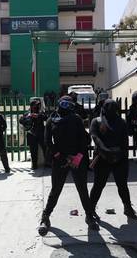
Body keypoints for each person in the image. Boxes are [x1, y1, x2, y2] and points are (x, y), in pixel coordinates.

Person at [38, 96, 99, 237]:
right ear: (58, 104)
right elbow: (48, 141)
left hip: (77, 159)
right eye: (63, 104)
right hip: (60, 160)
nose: (66, 107)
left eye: (69, 104)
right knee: (55, 190)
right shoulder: (50, 120)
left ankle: (89, 216)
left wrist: (77, 157)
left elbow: (85, 139)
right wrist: (59, 155)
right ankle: (45, 217)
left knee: (82, 189)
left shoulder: (76, 119)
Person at [89, 100, 137, 220]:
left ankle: (128, 208)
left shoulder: (121, 122)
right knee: (98, 185)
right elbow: (95, 138)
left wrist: (121, 156)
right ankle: (90, 210)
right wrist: (106, 151)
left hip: (119, 158)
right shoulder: (97, 121)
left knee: (122, 185)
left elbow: (124, 142)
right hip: (102, 157)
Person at [19, 99, 47, 169]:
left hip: (41, 133)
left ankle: (47, 163)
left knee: (45, 149)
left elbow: (46, 118)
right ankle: (34, 164)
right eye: (35, 105)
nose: (37, 106)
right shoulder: (27, 113)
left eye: (38, 105)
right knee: (33, 150)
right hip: (31, 134)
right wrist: (29, 117)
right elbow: (21, 120)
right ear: (31, 106)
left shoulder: (41, 112)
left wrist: (38, 116)